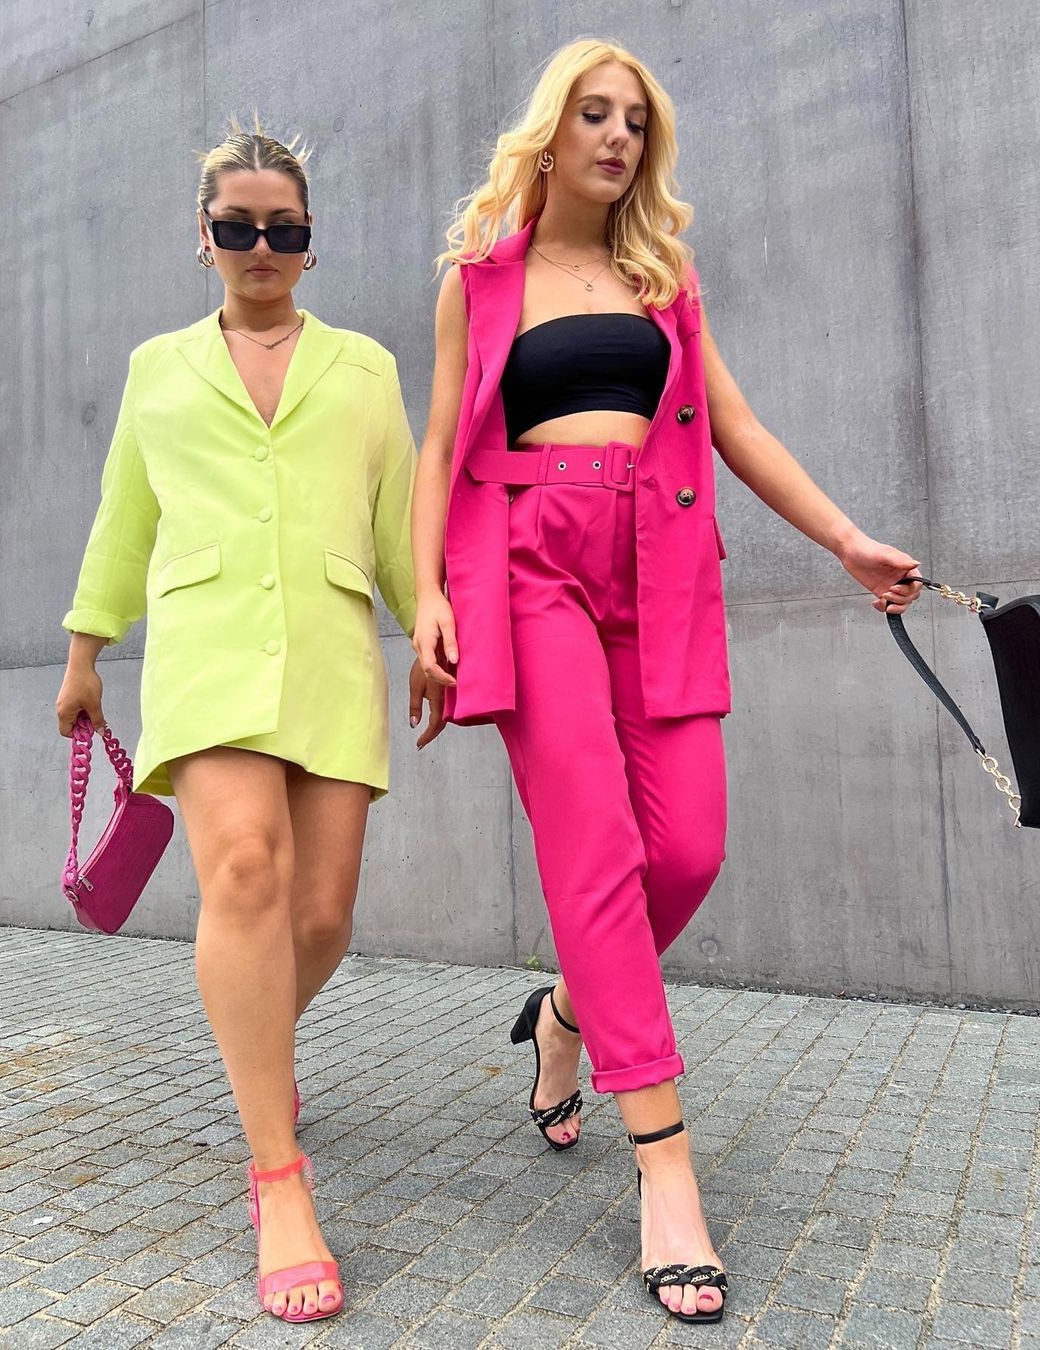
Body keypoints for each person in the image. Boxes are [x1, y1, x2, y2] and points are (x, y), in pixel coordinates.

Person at [411, 39, 921, 1326]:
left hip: (658, 560)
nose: (617, 137)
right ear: (551, 131)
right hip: (529, 567)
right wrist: (427, 592)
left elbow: (732, 424)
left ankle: (564, 1015)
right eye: (594, 114)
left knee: (686, 849)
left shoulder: (663, 279)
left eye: (635, 121)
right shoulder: (481, 279)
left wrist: (846, 538)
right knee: (593, 853)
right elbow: (440, 444)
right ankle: (667, 1170)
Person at [56, 120, 444, 1325]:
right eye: (237, 227)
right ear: (205, 237)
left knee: (321, 916)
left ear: (311, 242)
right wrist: (85, 653)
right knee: (243, 871)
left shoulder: (366, 368)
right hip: (207, 645)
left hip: (329, 650)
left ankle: (256, 1054)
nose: (260, 245)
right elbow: (124, 517)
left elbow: (398, 520)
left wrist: (431, 623)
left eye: (283, 228)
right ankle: (278, 1177)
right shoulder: (158, 367)